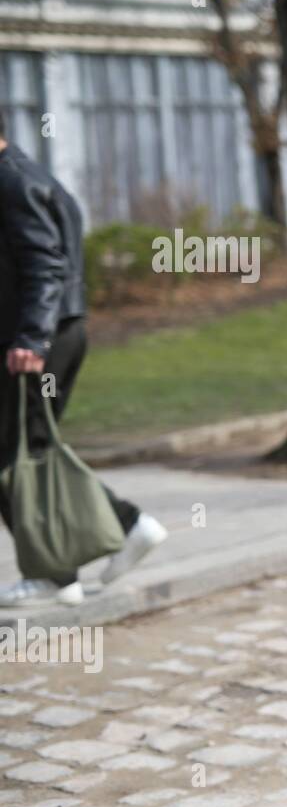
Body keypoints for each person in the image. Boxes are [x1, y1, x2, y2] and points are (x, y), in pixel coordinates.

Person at [0, 113, 168, 607]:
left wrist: (31, 336)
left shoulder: (12, 182)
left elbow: (45, 263)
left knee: (17, 453)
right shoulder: (27, 175)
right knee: (25, 448)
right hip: (54, 333)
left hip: (40, 337)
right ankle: (61, 573)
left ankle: (125, 526)